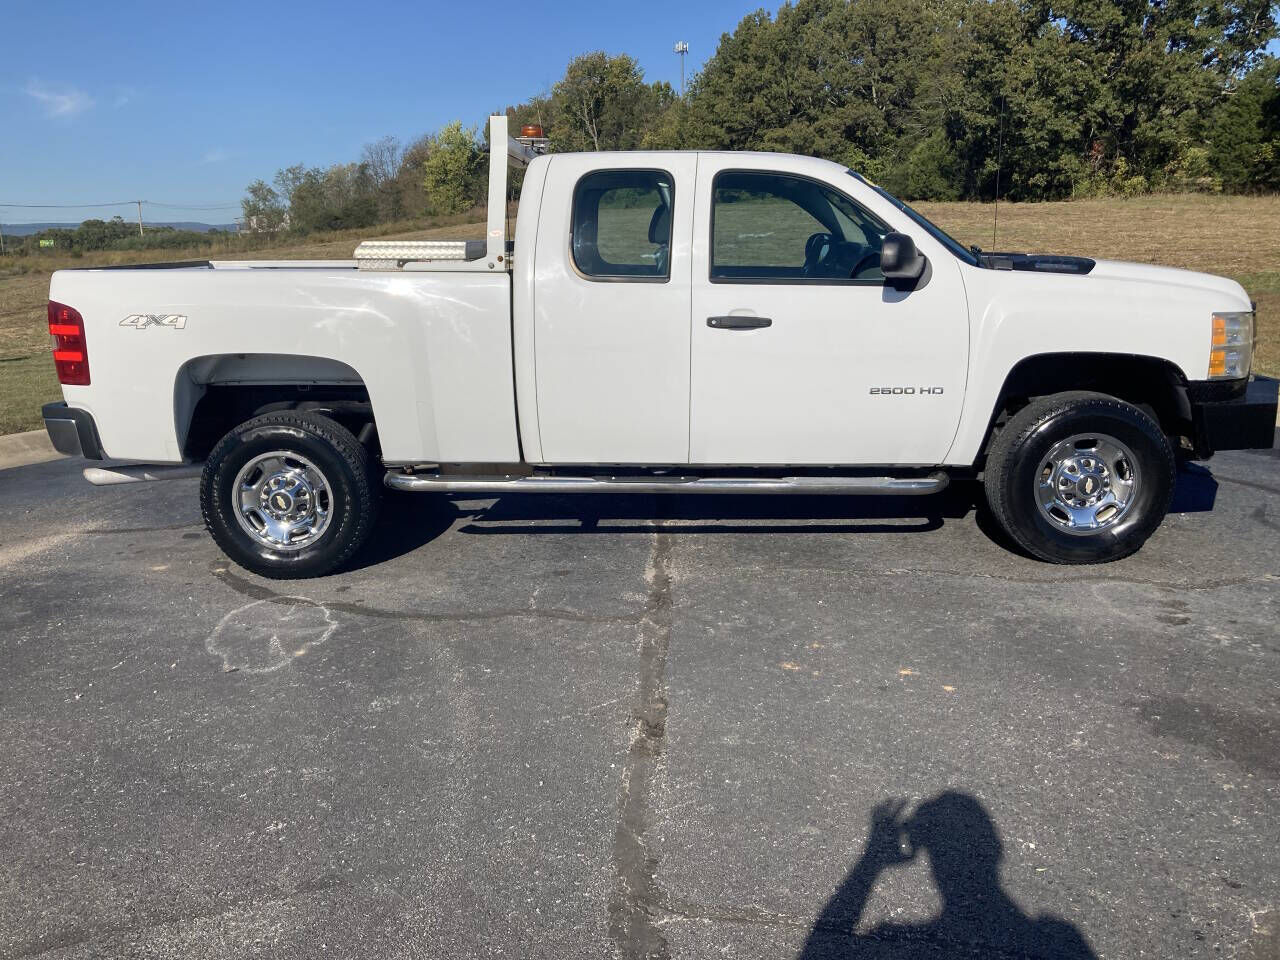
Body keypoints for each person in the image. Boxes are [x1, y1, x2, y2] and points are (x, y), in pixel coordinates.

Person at [800, 792, 1096, 959]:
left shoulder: (894, 942)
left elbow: (815, 953)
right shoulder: (1060, 939)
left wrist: (871, 861)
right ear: (994, 849)